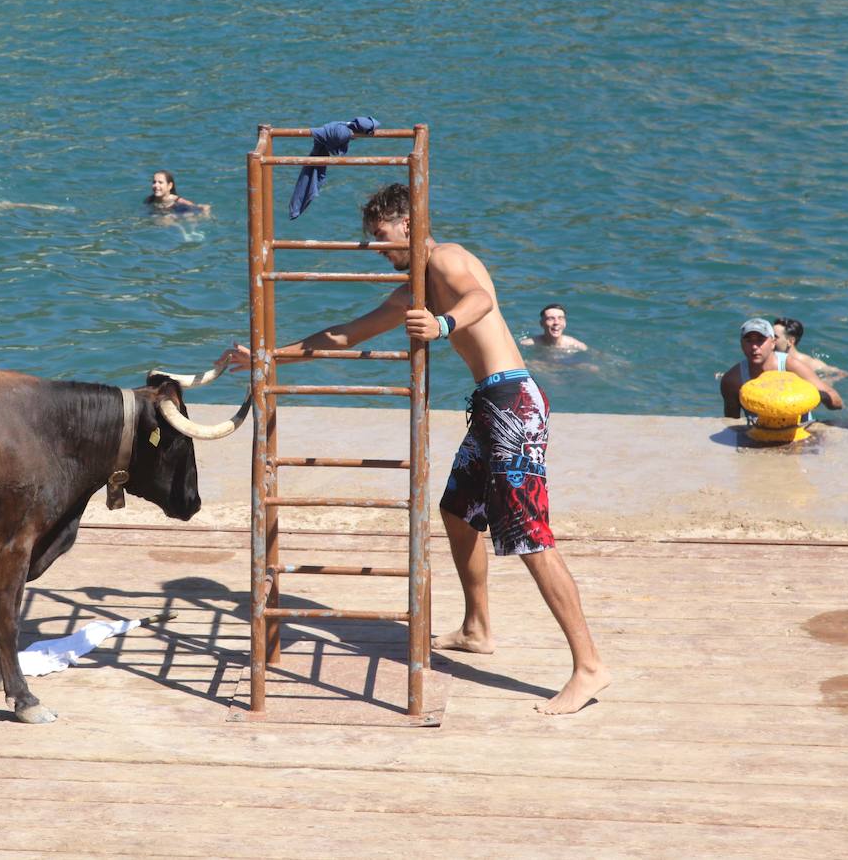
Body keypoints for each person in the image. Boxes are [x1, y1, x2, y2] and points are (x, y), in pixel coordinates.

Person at [218, 182, 610, 715]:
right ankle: (477, 627)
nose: (378, 248)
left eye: (382, 236)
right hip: (491, 405)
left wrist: (444, 323)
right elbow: (344, 335)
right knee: (457, 512)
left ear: (409, 223)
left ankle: (588, 666)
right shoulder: (414, 288)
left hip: (515, 403)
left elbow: (480, 298)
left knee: (530, 537)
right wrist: (267, 356)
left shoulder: (444, 259)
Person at [719, 318, 842, 418]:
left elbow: (837, 402)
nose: (754, 347)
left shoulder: (791, 366)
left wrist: (819, 396)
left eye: (761, 340)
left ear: (773, 343)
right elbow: (732, 424)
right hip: (760, 436)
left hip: (799, 434)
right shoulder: (732, 380)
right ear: (741, 344)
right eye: (748, 341)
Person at [773, 317, 848, 381]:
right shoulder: (770, 357)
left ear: (790, 341)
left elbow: (842, 373)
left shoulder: (810, 364)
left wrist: (827, 382)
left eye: (775, 337)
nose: (769, 339)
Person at [520, 304, 587, 351]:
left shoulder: (577, 345)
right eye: (551, 319)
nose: (556, 322)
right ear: (541, 323)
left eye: (560, 318)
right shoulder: (527, 344)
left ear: (565, 323)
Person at [145, 170, 210, 216]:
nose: (156, 185)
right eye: (154, 182)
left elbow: (196, 207)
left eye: (160, 182)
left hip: (179, 210)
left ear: (170, 186)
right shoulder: (149, 200)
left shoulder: (178, 200)